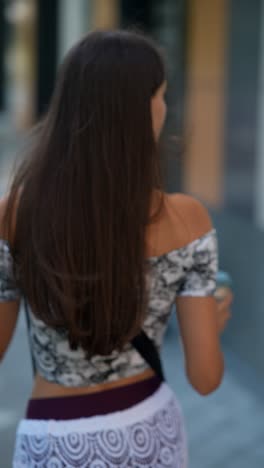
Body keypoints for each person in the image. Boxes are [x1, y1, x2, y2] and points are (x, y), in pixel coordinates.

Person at [0, 30, 231, 467]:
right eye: (162, 95)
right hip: (150, 432)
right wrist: (211, 326)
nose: (166, 107)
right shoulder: (188, 219)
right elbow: (205, 378)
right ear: (144, 110)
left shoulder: (14, 216)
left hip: (54, 440)